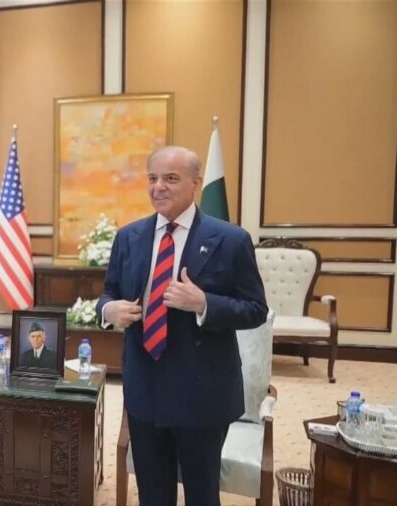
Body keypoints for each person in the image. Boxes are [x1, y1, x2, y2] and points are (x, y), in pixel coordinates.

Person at [96, 146, 267, 506]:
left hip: (201, 392)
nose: (158, 187)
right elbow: (109, 292)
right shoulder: (129, 237)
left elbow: (255, 310)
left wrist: (204, 303)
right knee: (153, 494)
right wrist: (109, 310)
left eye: (171, 178)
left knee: (201, 495)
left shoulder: (230, 239)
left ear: (195, 184)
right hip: (145, 388)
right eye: (153, 178)